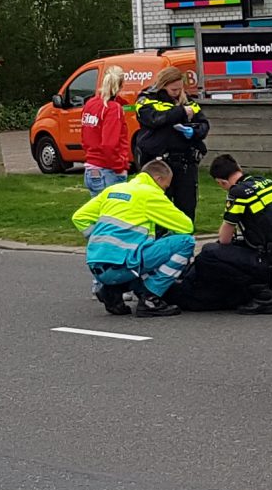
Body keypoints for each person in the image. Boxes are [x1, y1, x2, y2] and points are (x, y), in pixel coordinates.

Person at [169, 155, 272, 315]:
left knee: (210, 253)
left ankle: (265, 298)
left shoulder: (238, 193)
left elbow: (224, 240)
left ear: (221, 182)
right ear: (239, 168)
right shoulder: (269, 184)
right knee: (241, 250)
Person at [70, 158, 195, 318]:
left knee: (142, 251)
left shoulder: (114, 190)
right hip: (123, 265)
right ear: (158, 179)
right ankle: (150, 298)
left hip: (97, 264)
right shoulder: (150, 194)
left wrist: (100, 242)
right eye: (165, 186)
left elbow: (79, 217)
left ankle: (112, 291)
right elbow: (186, 226)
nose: (165, 191)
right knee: (185, 242)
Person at [134, 67, 209, 219]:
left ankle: (185, 240)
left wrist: (194, 132)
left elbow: (204, 124)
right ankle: (160, 240)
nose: (177, 92)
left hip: (185, 162)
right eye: (173, 89)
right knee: (160, 208)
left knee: (186, 208)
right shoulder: (146, 99)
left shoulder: (187, 100)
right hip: (159, 162)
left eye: (180, 89)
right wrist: (181, 112)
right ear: (163, 85)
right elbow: (154, 119)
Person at [80, 66, 130, 195]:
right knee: (114, 212)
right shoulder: (113, 109)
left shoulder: (90, 104)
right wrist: (120, 166)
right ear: (122, 84)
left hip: (91, 168)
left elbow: (85, 137)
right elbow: (109, 144)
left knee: (98, 212)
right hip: (108, 170)